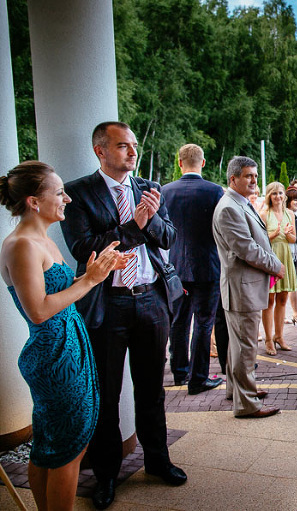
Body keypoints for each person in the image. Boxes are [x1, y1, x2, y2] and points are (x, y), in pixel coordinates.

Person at [60, 121, 186, 509]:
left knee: (152, 389)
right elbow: (85, 248)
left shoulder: (148, 187)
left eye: (133, 145)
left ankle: (158, 461)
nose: (132, 152)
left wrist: (153, 219)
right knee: (107, 393)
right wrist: (135, 225)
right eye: (122, 146)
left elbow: (169, 237)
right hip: (107, 304)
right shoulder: (79, 193)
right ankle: (106, 476)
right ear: (100, 151)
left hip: (150, 301)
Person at [0, 162, 128, 510]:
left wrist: (96, 272)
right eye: (59, 193)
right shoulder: (22, 245)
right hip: (54, 356)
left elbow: (59, 293)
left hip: (68, 348)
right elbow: (39, 311)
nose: (67, 199)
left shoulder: (41, 240)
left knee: (50, 446)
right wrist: (90, 281)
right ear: (33, 202)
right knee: (69, 450)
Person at [212, 156, 284, 419]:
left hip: (244, 286)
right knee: (245, 348)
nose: (254, 180)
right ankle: (247, 404)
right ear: (233, 179)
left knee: (238, 346)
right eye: (248, 176)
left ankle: (238, 391)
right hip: (242, 288)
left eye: (255, 175)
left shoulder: (239, 202)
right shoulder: (229, 208)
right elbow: (246, 249)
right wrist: (276, 265)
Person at [162, 143, 224, 395]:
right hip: (207, 265)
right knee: (204, 322)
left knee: (179, 321)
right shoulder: (214, 191)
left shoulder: (165, 191)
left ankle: (179, 371)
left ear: (179, 163)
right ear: (203, 163)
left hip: (176, 266)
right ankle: (198, 378)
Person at [260, 181, 297, 355]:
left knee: (282, 299)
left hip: (285, 256)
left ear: (285, 196)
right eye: (274, 193)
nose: (278, 197)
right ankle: (268, 339)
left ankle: (279, 336)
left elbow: (293, 239)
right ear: (269, 196)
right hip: (270, 257)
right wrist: (274, 234)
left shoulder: (289, 213)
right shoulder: (264, 214)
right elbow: (259, 240)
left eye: (280, 193)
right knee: (269, 301)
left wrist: (289, 234)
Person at [285, 187, 297, 327]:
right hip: (287, 252)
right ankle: (295, 313)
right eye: (294, 200)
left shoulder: (296, 215)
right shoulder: (287, 215)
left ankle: (296, 313)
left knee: (295, 284)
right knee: (290, 284)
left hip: (294, 253)